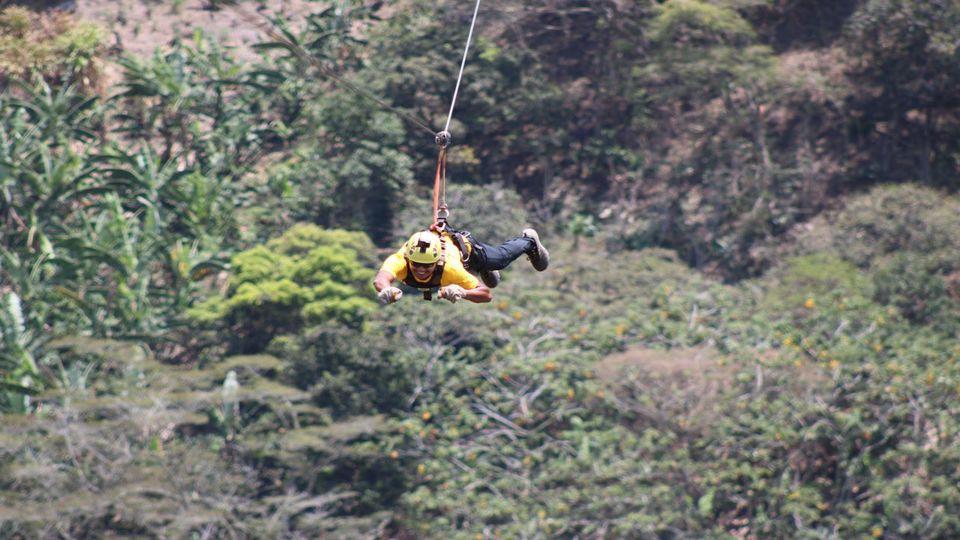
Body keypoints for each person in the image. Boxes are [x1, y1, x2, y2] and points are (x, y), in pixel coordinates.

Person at [373, 226, 549, 304]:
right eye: (416, 264)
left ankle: (529, 241)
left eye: (427, 266)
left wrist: (463, 293)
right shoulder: (400, 260)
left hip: (468, 253)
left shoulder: (450, 269)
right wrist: (385, 290)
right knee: (488, 279)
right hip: (458, 269)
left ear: (437, 261)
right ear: (409, 259)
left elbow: (486, 295)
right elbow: (381, 279)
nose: (421, 270)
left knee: (499, 260)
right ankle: (482, 271)